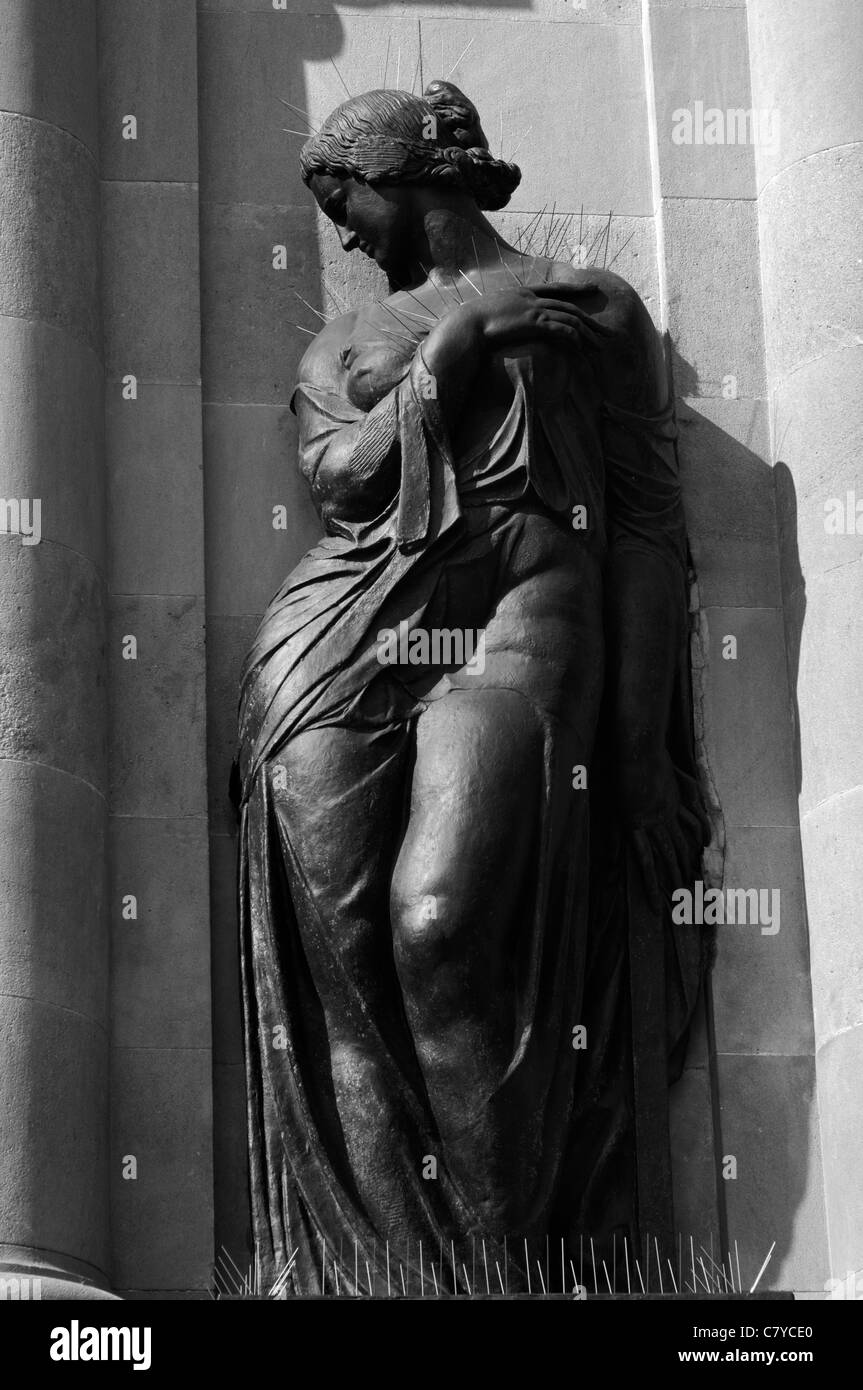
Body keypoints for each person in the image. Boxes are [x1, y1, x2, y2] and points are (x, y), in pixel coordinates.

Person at [234, 80, 709, 1296]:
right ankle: (401, 1278)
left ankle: (506, 1283)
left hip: (518, 616)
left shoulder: (593, 308)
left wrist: (641, 734)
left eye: (349, 202)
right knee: (340, 974)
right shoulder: (340, 346)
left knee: (435, 923)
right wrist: (453, 353)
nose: (343, 237)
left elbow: (647, 530)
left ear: (407, 179)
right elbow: (342, 481)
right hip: (337, 639)